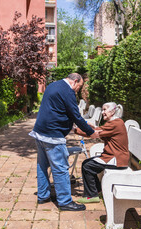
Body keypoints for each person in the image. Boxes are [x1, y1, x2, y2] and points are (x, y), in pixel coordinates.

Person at [29, 73, 99, 211]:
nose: (77, 91)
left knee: (42, 166)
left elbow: (57, 112)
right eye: (78, 88)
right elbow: (75, 115)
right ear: (75, 81)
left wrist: (78, 126)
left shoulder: (53, 85)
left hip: (40, 132)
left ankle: (43, 196)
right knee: (60, 168)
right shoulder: (67, 91)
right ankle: (65, 201)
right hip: (53, 136)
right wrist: (91, 133)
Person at [74, 102, 129, 203]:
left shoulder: (114, 123)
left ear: (112, 111)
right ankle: (97, 190)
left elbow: (94, 134)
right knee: (88, 163)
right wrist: (92, 127)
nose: (102, 112)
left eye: (105, 110)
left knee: (87, 166)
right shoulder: (116, 122)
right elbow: (100, 131)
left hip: (117, 159)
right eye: (102, 109)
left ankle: (92, 195)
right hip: (117, 157)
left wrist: (75, 129)